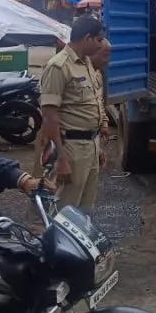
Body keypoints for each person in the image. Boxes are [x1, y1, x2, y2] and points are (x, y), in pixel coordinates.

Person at [40, 16, 107, 212]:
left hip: (90, 145)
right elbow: (49, 116)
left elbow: (89, 106)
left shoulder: (86, 63)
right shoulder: (58, 66)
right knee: (65, 208)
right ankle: (56, 243)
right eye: (99, 39)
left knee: (85, 208)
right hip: (71, 148)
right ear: (87, 38)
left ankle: (77, 244)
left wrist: (97, 146)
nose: (101, 44)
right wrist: (61, 157)